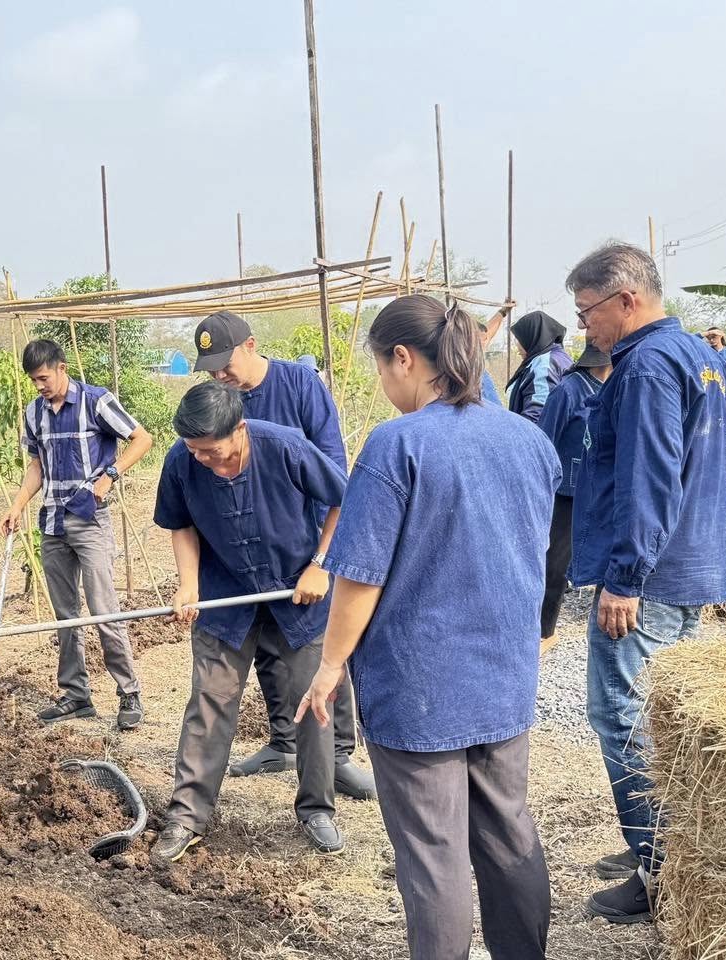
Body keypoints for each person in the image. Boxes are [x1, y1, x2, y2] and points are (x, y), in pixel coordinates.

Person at [298, 294, 558, 960]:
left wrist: (330, 665)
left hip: (421, 684)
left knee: (434, 853)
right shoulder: (527, 439)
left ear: (404, 359)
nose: (384, 383)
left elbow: (359, 577)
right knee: (508, 832)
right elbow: (544, 544)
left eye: (381, 368)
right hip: (503, 675)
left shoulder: (397, 444)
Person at [566, 243, 726, 923]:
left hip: (650, 576)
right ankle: (666, 846)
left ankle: (660, 869)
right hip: (690, 563)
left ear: (626, 299)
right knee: (665, 720)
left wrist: (625, 578)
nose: (584, 327)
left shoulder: (645, 368)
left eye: (587, 312)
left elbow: (650, 477)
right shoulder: (698, 354)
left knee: (623, 716)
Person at [148, 382, 348, 864]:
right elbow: (180, 523)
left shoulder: (285, 447)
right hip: (225, 596)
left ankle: (317, 809)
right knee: (209, 701)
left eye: (212, 451)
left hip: (296, 592)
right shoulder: (181, 460)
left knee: (313, 700)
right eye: (195, 451)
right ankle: (187, 816)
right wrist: (189, 584)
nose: (204, 460)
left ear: (239, 429)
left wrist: (320, 564)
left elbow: (344, 501)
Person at [188, 311, 374, 800]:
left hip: (306, 547)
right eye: (211, 369)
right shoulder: (216, 404)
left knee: (316, 649)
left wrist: (322, 560)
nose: (219, 375)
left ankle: (337, 757)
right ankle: (282, 742)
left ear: (251, 346)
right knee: (268, 653)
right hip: (250, 553)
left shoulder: (299, 384)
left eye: (225, 363)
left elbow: (333, 471)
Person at [1, 339, 153, 729]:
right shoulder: (34, 413)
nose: (39, 386)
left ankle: (129, 692)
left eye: (44, 378)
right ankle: (76, 695)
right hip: (52, 523)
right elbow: (37, 466)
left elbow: (142, 439)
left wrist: (110, 476)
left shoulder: (95, 401)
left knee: (104, 608)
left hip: (90, 519)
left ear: (62, 368)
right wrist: (18, 505)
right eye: (33, 380)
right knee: (65, 615)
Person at [535, 344, 611, 648]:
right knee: (553, 564)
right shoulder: (568, 391)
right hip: (565, 494)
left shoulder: (609, 389)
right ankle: (544, 631)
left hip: (597, 489)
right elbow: (544, 441)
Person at [504, 311, 573, 422]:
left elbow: (537, 414)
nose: (517, 345)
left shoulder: (544, 363)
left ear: (531, 336)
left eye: (518, 339)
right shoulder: (561, 356)